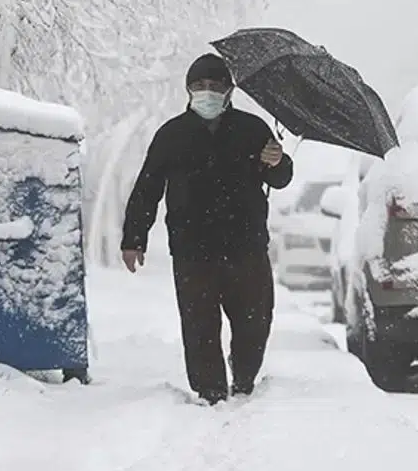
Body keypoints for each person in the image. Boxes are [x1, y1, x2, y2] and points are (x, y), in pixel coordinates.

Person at [120, 53, 293, 404]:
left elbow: (279, 177)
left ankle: (244, 377)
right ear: (188, 89)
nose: (207, 92)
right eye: (200, 86)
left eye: (215, 86)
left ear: (229, 90)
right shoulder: (171, 135)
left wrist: (279, 161)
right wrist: (133, 238)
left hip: (246, 246)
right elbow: (147, 188)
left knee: (255, 320)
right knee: (199, 324)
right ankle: (209, 391)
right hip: (192, 247)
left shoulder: (253, 129)